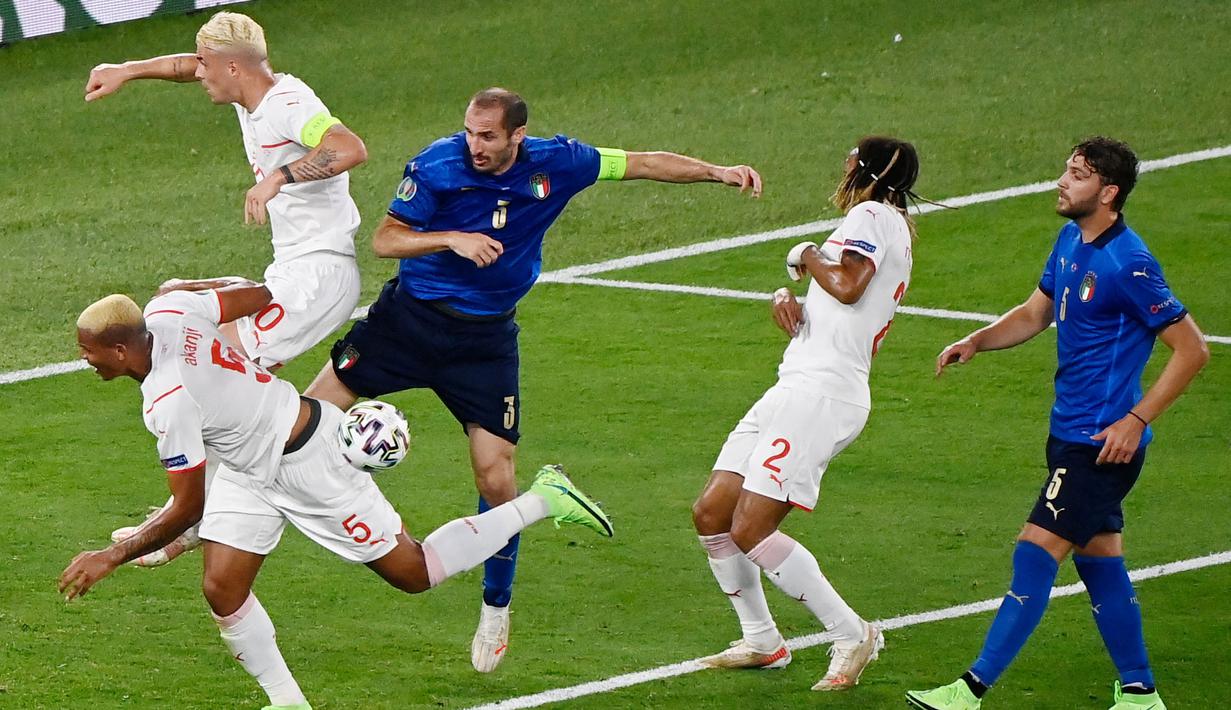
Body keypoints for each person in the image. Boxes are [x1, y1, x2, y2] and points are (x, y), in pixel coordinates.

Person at [301, 87, 763, 672]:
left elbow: (641, 164)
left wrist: (718, 172)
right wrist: (452, 239)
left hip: (485, 344)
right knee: (302, 418)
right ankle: (206, 519)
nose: (475, 145)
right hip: (407, 323)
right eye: (470, 132)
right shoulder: (438, 165)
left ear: (518, 135)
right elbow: (386, 239)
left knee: (497, 480)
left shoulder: (559, 162)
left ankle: (496, 606)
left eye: (488, 136)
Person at [60, 287, 613, 710]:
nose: (85, 362)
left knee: (413, 572)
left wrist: (114, 554)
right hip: (253, 466)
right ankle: (289, 702)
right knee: (222, 588)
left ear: (119, 348)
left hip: (310, 461)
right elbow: (259, 295)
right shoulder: (171, 308)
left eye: (88, 353)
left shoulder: (167, 401)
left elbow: (189, 508)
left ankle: (544, 496)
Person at [906, 137, 1209, 710]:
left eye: (1077, 174)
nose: (1062, 182)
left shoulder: (1129, 263)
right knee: (1099, 560)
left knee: (1035, 550)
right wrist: (977, 340)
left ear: (1109, 192)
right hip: (1068, 431)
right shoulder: (1072, 238)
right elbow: (1035, 312)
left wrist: (1135, 418)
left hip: (1101, 443)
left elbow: (1192, 349)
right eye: (1066, 171)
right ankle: (1141, 694)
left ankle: (970, 690)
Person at [83, 11, 368, 566]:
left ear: (233, 66)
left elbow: (349, 146)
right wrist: (127, 69)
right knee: (195, 332)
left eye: (207, 64)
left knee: (210, 372)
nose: (199, 73)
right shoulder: (249, 90)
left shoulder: (289, 106)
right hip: (294, 269)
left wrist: (278, 178)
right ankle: (199, 509)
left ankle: (193, 517)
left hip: (318, 277)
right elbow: (187, 66)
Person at [690, 137, 922, 691]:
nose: (842, 162)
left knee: (751, 526)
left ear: (867, 167)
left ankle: (851, 634)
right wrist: (798, 316)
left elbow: (848, 285)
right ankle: (762, 641)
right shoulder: (885, 228)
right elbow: (853, 319)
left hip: (822, 396)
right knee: (712, 513)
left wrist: (806, 253)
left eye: (850, 155)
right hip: (796, 384)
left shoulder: (873, 214)